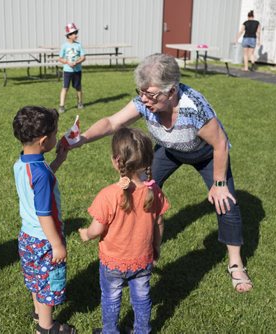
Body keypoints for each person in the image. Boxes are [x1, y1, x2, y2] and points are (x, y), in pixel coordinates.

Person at [72, 53, 253, 293]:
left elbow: (220, 143)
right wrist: (82, 139)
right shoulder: (145, 101)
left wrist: (219, 183)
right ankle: (135, 250)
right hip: (170, 150)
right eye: (141, 92)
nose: (145, 100)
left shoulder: (194, 108)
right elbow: (113, 123)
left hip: (207, 154)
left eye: (152, 94)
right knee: (138, 191)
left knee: (226, 203)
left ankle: (236, 264)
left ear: (172, 91)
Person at [79, 128, 169, 334]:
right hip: (142, 259)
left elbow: (96, 228)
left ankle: (109, 331)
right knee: (142, 296)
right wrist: (156, 248)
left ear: (115, 160)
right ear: (147, 161)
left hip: (113, 261)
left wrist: (85, 234)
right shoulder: (153, 191)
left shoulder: (108, 195)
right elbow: (159, 223)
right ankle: (141, 331)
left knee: (111, 296)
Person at [12, 106, 76, 334]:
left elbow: (42, 179)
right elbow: (44, 213)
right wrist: (57, 244)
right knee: (49, 281)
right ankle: (46, 327)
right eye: (55, 133)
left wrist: (59, 158)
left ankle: (39, 313)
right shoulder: (39, 173)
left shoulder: (22, 164)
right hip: (45, 240)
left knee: (34, 276)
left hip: (27, 237)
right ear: (44, 140)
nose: (57, 136)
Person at [58, 22, 86, 114]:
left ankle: (80, 103)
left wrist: (77, 62)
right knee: (65, 87)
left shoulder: (79, 45)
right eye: (73, 33)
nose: (75, 35)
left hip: (77, 71)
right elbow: (60, 58)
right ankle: (62, 105)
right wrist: (67, 62)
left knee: (78, 87)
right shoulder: (64, 46)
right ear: (69, 35)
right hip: (67, 71)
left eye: (76, 33)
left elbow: (83, 57)